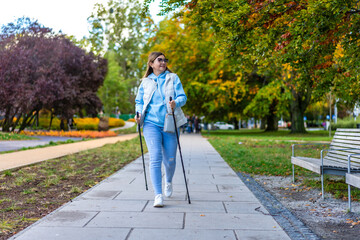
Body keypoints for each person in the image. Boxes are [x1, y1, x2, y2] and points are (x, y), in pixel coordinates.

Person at [135, 52, 187, 207]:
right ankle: (158, 195)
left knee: (170, 160)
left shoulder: (173, 78)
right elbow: (139, 101)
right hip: (151, 124)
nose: (163, 62)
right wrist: (138, 114)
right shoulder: (145, 82)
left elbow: (183, 97)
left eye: (165, 60)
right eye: (160, 60)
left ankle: (168, 181)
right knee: (155, 157)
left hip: (169, 123)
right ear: (151, 63)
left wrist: (175, 103)